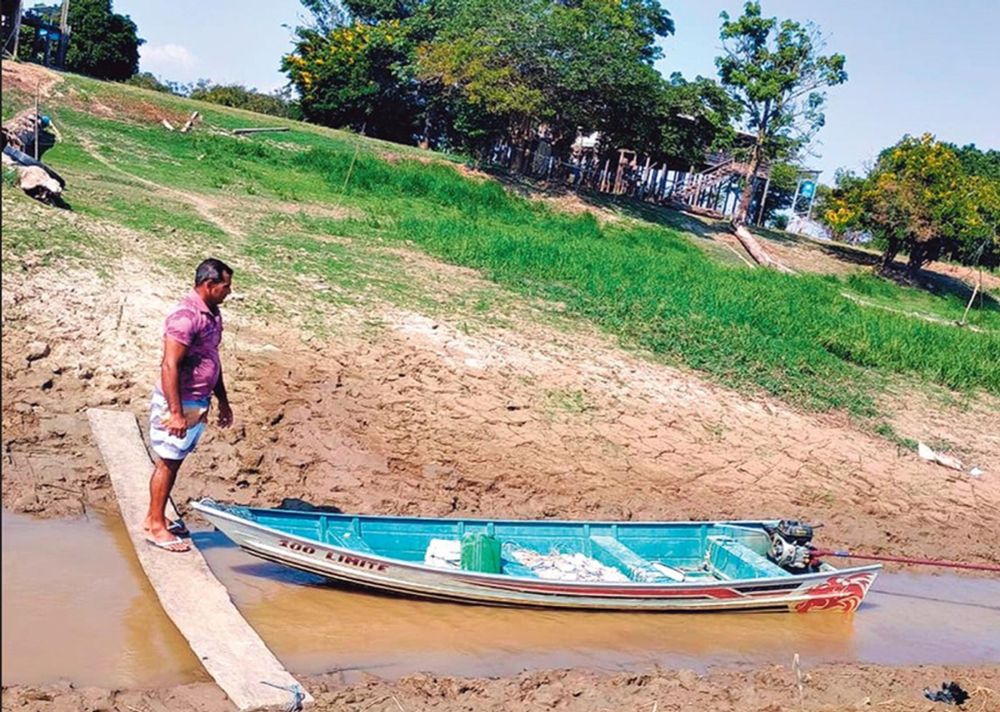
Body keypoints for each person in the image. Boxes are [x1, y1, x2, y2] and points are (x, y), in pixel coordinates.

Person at [144, 258, 234, 552]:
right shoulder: (185, 317)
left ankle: (155, 518)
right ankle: (156, 526)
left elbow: (213, 359)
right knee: (168, 462)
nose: (228, 292)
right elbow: (169, 365)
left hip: (198, 401)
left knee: (174, 460)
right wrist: (175, 413)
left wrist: (222, 400)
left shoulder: (213, 314)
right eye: (225, 286)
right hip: (179, 402)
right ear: (209, 285)